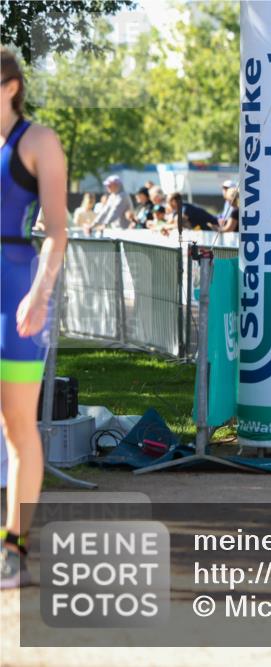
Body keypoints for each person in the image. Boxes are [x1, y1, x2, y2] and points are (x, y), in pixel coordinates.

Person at [1, 46, 69, 589]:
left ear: (11, 87)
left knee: (17, 426)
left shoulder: (39, 142)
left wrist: (40, 293)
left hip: (16, 292)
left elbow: (57, 231)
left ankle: (12, 548)